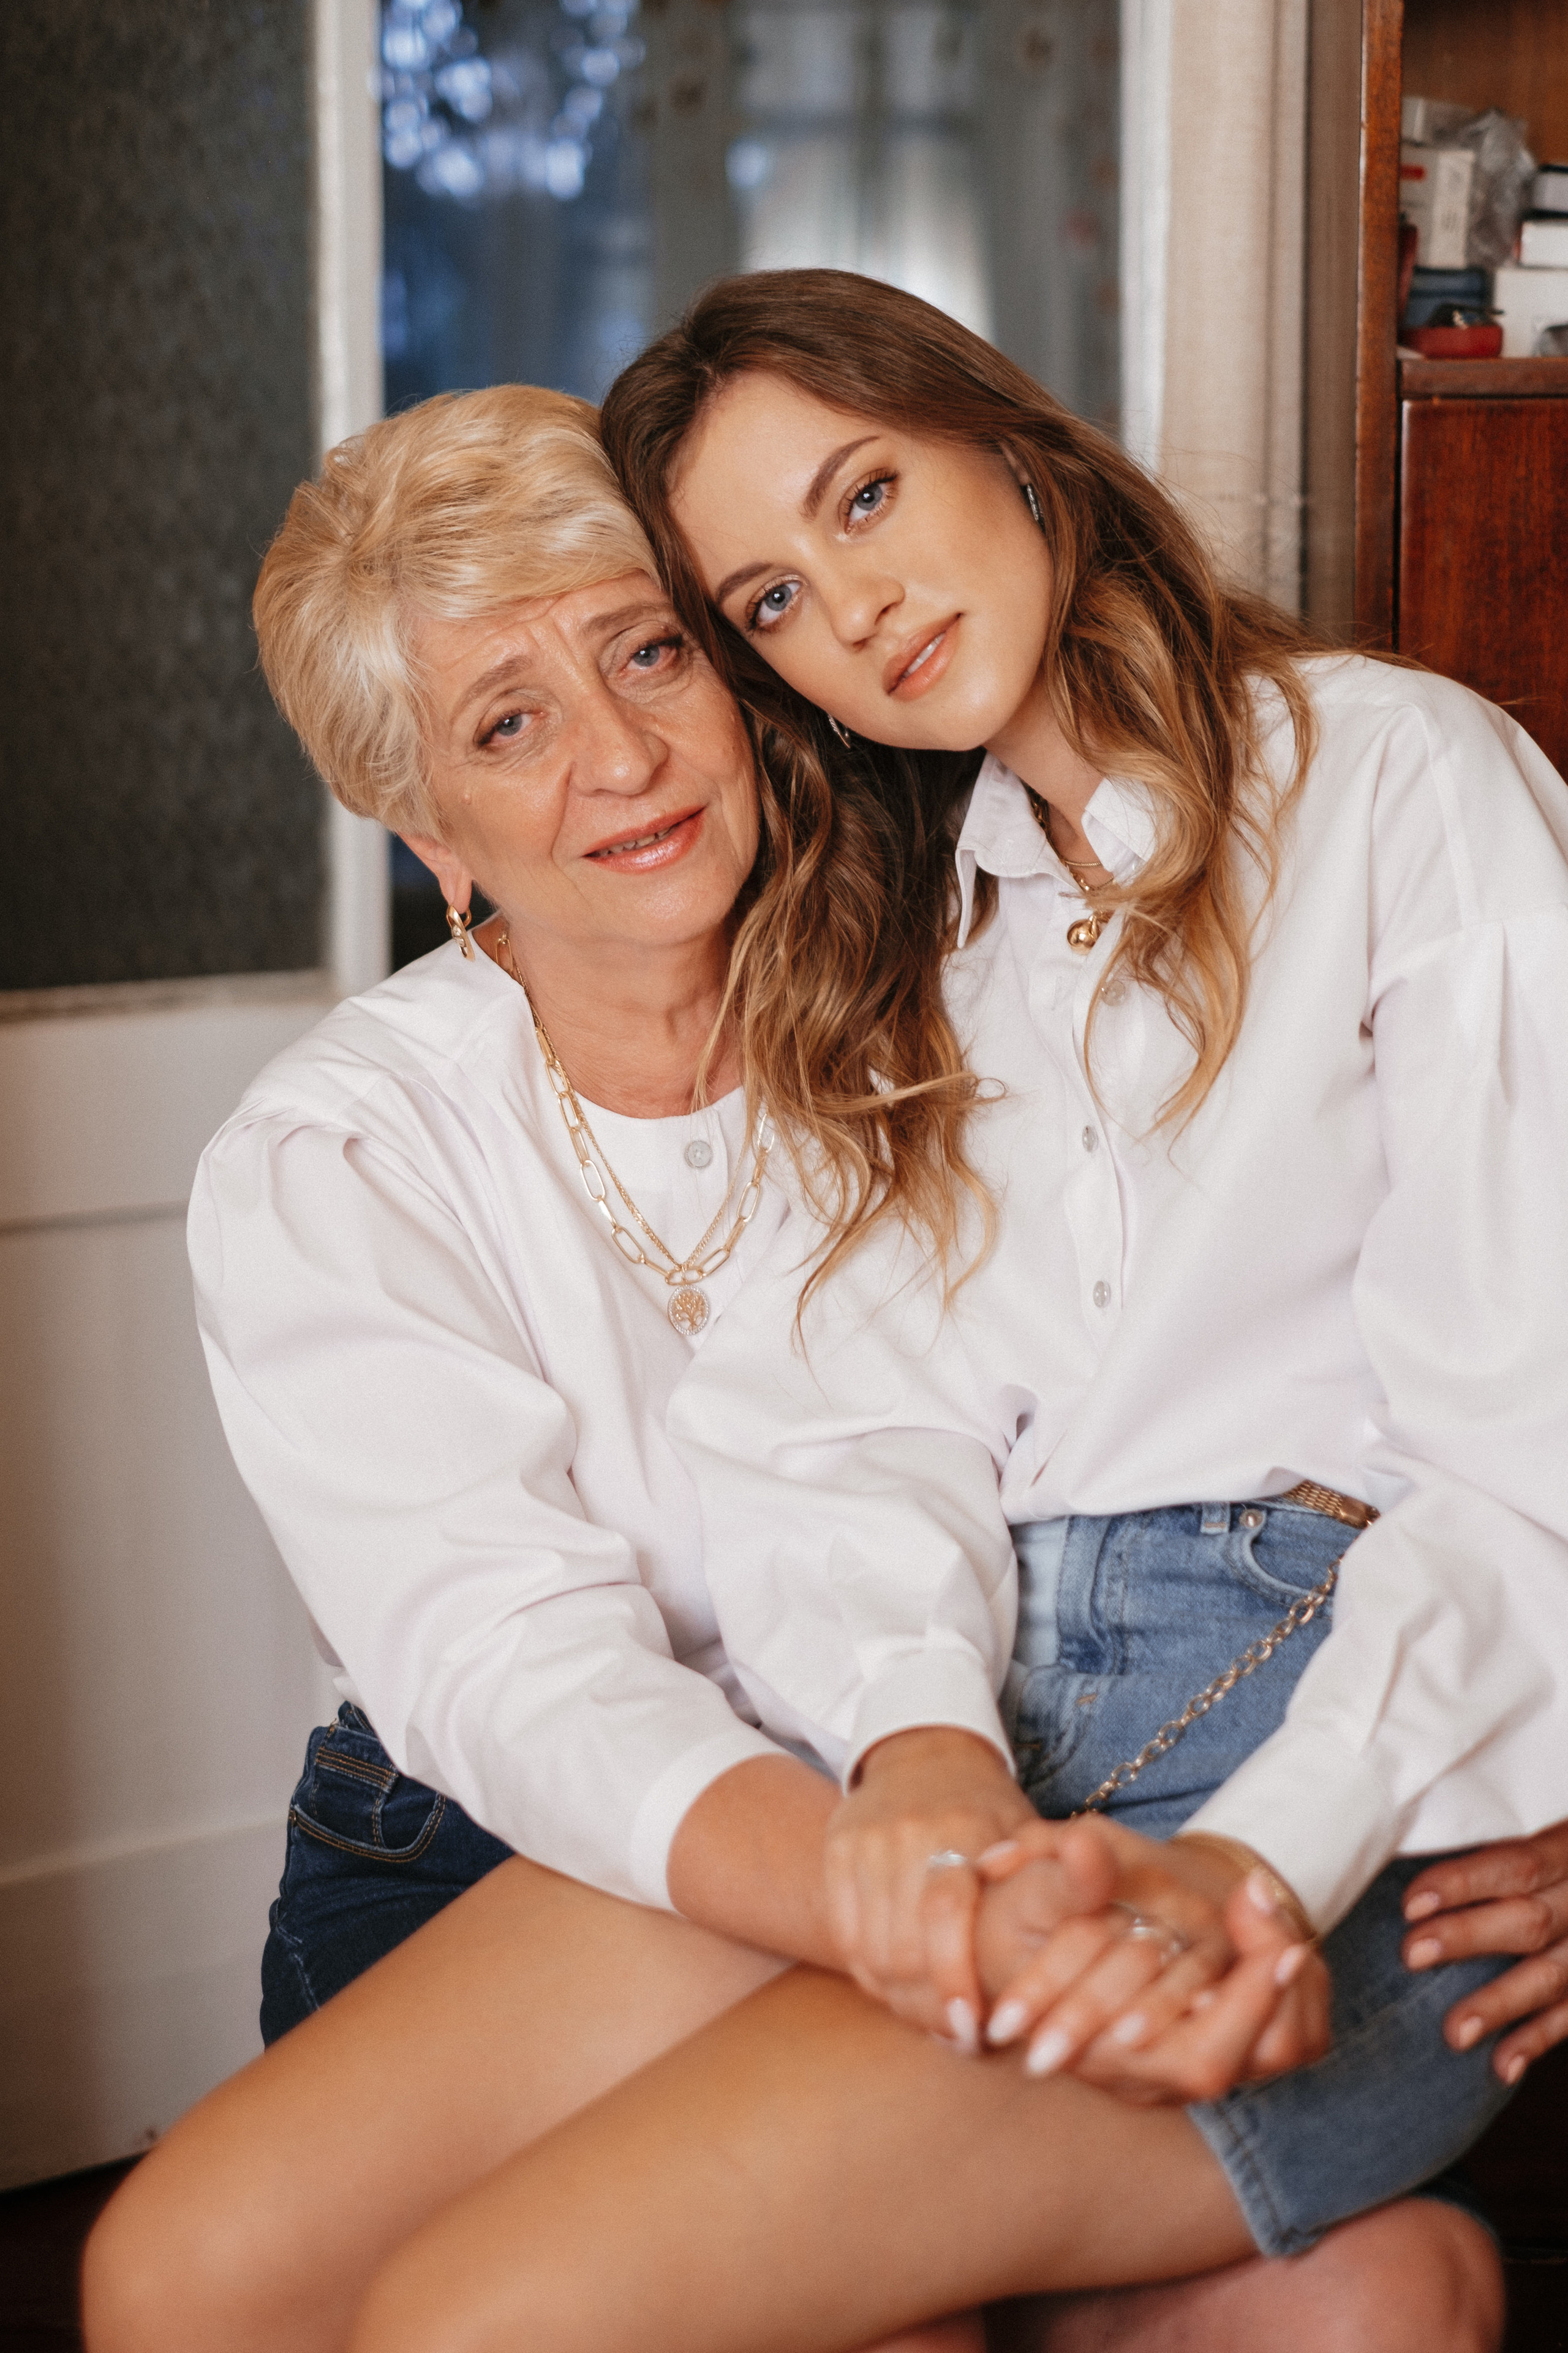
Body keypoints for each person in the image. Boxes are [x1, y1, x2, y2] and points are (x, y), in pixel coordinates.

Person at [83, 361, 1559, 2353]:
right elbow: (514, 1669)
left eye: (658, 652)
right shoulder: (345, 1151)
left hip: (979, 1747)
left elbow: (1473, 1417)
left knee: (666, 2308)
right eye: (512, 725)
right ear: (427, 828)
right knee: (170, 2275)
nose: (621, 757)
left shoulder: (969, 920)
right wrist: (915, 1836)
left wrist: (1476, 1779)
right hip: (562, 1820)